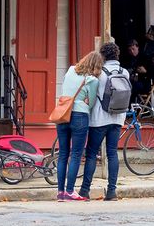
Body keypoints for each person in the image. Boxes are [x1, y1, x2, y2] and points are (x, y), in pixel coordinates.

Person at [79, 42, 126, 201]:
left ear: (103, 56)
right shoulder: (124, 72)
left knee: (91, 154)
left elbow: (93, 96)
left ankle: (85, 190)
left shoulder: (100, 73)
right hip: (118, 118)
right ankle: (112, 191)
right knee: (112, 153)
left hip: (99, 119)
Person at [56, 51, 102, 202]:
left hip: (63, 114)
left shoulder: (70, 70)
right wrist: (85, 102)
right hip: (80, 116)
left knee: (63, 154)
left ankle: (60, 192)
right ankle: (70, 191)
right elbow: (92, 102)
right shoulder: (92, 80)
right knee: (75, 154)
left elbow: (66, 89)